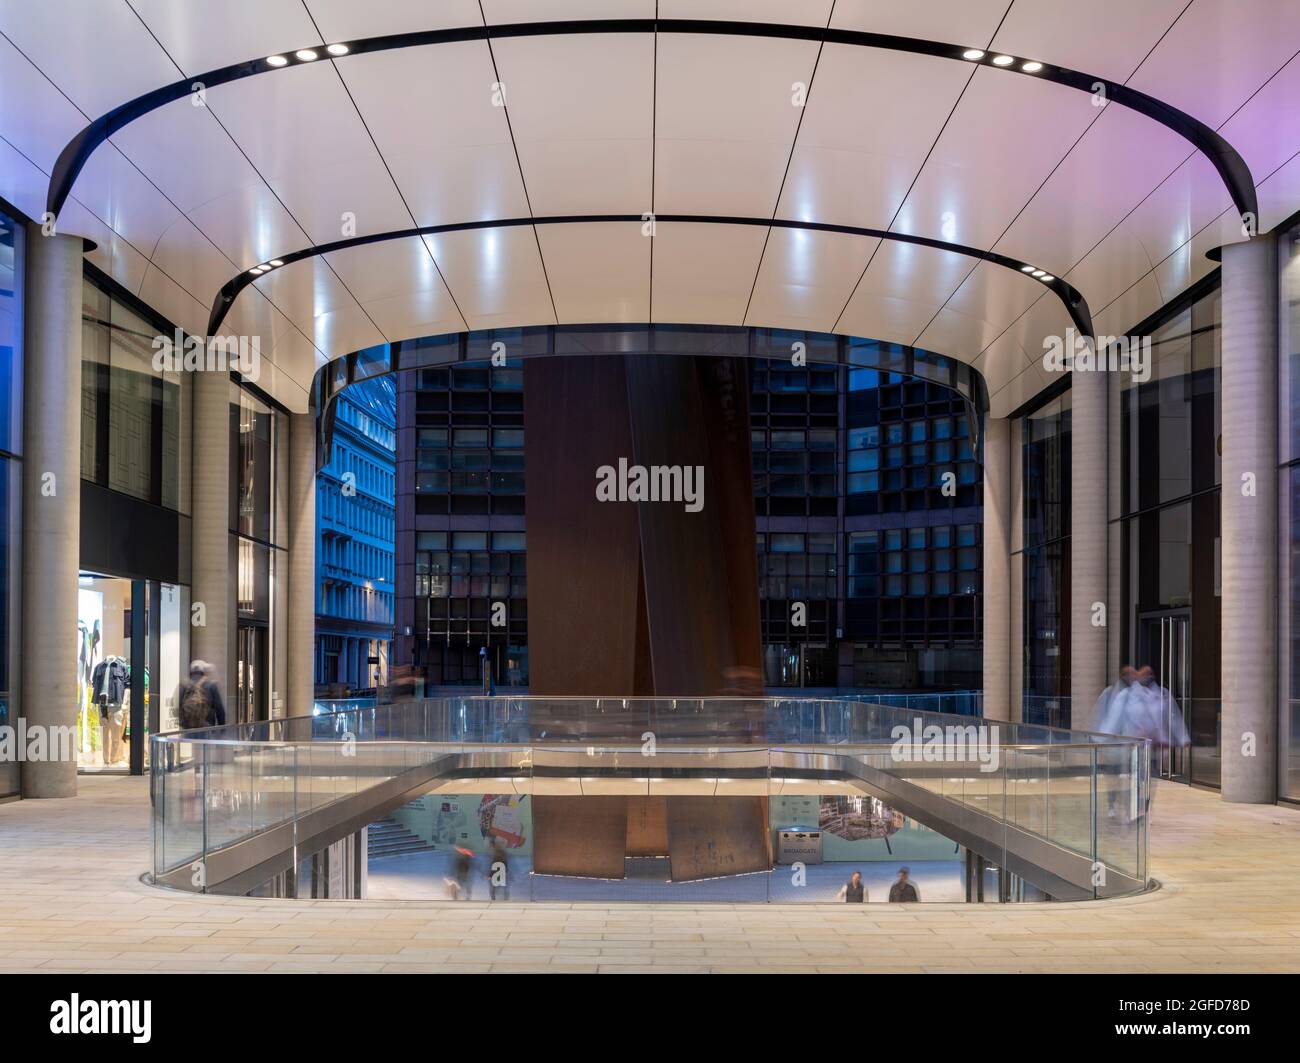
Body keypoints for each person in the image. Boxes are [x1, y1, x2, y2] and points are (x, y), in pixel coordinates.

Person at [177, 660, 225, 731]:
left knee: (190, 742)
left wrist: (183, 724)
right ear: (203, 672)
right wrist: (222, 727)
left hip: (188, 729)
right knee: (204, 742)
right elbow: (219, 709)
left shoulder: (184, 686)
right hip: (207, 727)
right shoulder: (211, 685)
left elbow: (179, 707)